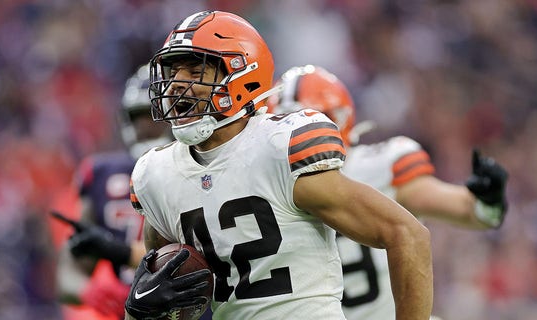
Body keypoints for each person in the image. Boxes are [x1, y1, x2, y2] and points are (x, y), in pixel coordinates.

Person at [125, 10, 433, 320]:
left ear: (243, 76)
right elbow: (164, 298)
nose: (177, 84)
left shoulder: (279, 147)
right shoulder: (157, 175)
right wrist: (138, 309)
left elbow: (407, 235)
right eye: (173, 71)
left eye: (195, 71)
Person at [269, 64, 509, 320]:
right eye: (283, 126)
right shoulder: (263, 184)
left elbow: (466, 210)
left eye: (301, 124)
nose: (293, 137)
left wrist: (487, 201)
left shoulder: (377, 166)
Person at [54, 64, 172, 320]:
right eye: (138, 116)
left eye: (153, 116)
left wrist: (118, 250)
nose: (145, 126)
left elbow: (193, 256)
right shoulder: (102, 174)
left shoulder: (198, 168)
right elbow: (69, 272)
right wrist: (91, 292)